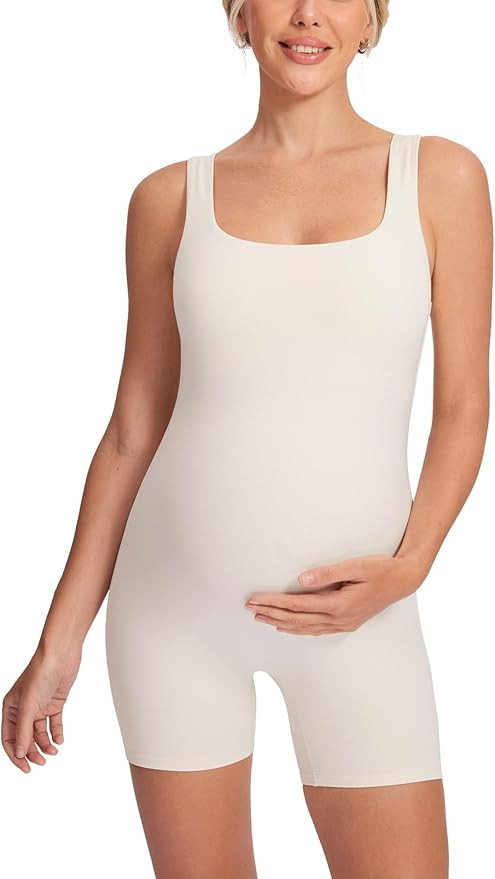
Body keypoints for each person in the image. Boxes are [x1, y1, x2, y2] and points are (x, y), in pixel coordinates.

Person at [3, 1, 492, 877]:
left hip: (360, 622)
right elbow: (132, 430)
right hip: (172, 620)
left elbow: (461, 405)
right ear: (238, 14)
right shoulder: (166, 198)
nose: (307, 15)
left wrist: (411, 565)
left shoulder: (440, 177)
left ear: (372, 20)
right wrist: (57, 641)